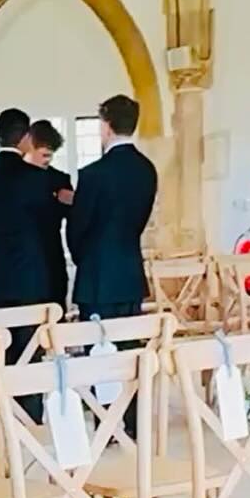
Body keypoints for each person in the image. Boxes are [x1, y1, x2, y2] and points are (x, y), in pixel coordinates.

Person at [66, 94, 158, 432]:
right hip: (130, 271)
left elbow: (78, 228)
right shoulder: (147, 170)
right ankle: (132, 422)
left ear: (105, 127)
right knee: (129, 351)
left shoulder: (93, 174)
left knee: (98, 353)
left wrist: (82, 258)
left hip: (97, 274)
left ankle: (107, 422)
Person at [0, 107, 56, 366]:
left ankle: (5, 407)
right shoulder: (36, 178)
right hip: (30, 282)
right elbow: (48, 230)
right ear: (26, 137)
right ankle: (29, 408)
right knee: (29, 360)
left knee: (0, 361)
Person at [23, 118, 72, 311]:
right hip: (22, 263)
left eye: (50, 156)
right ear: (29, 147)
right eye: (43, 154)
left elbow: (75, 218)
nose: (47, 160)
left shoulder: (59, 179)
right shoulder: (14, 179)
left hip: (52, 258)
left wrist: (73, 202)